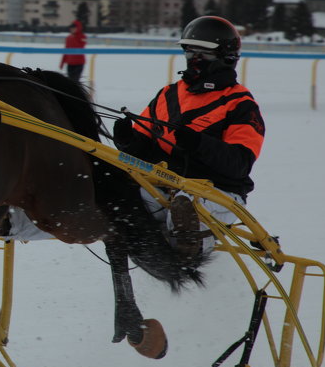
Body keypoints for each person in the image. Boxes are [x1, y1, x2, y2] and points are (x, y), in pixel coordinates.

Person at [111, 15, 266, 257]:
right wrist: (128, 141)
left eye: (203, 54)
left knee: (185, 204)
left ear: (227, 57)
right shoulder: (167, 95)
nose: (195, 60)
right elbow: (142, 155)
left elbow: (239, 164)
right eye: (190, 52)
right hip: (166, 184)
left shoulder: (240, 104)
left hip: (218, 193)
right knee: (116, 190)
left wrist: (197, 143)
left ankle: (189, 263)